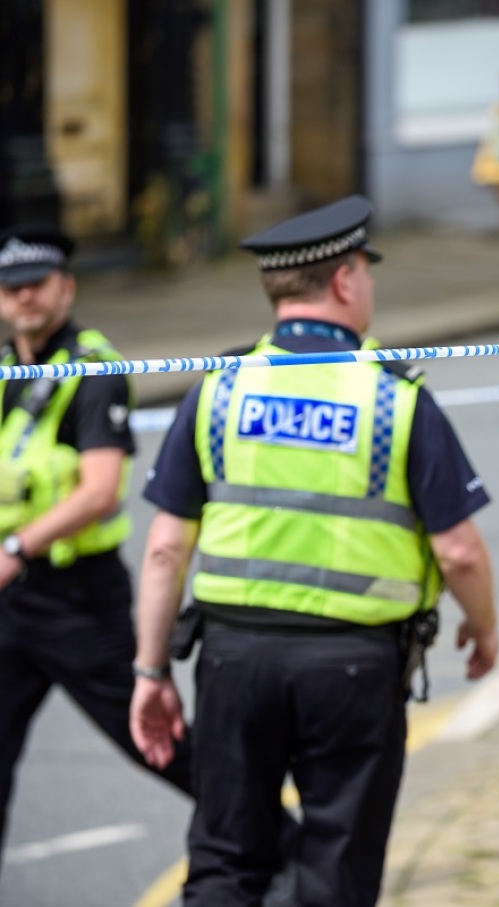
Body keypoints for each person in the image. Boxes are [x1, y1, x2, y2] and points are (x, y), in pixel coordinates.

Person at [130, 196, 499, 907]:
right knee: (338, 870)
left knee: (224, 862)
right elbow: (458, 551)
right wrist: (482, 628)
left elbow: (165, 549)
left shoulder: (219, 388)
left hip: (234, 658)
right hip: (354, 666)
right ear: (344, 280)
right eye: (366, 271)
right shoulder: (393, 398)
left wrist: (151, 670)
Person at [0, 224, 193, 872]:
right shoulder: (6, 369)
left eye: (37, 284)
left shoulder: (93, 369)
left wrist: (16, 546)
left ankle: (282, 849)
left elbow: (99, 490)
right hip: (11, 599)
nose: (24, 297)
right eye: (11, 287)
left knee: (156, 741)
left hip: (77, 598)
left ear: (67, 287)